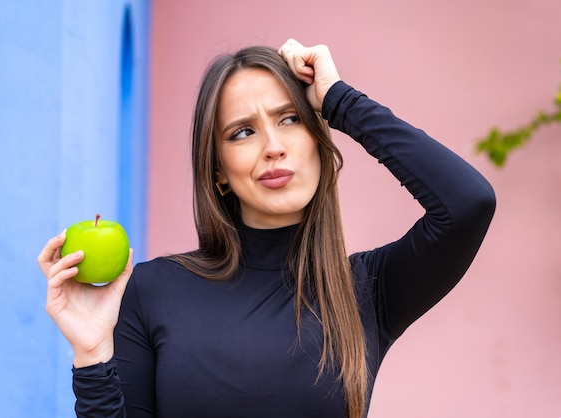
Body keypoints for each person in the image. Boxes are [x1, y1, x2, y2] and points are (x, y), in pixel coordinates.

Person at [37, 39, 496, 418]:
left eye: (290, 119)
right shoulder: (149, 291)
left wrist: (339, 100)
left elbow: (467, 203)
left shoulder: (365, 291)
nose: (273, 147)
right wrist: (93, 353)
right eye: (242, 132)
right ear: (218, 170)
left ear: (318, 142)